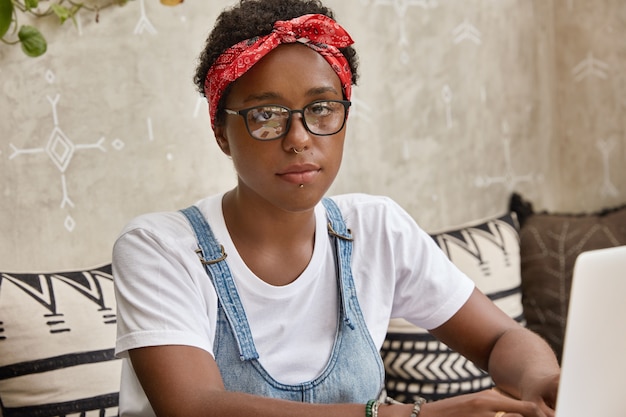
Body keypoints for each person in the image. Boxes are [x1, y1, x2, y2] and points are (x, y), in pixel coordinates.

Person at [112, 0, 561, 416]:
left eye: (322, 108)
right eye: (265, 115)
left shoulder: (375, 229)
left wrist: (541, 380)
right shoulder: (161, 249)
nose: (299, 138)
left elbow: (501, 338)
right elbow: (194, 408)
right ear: (221, 133)